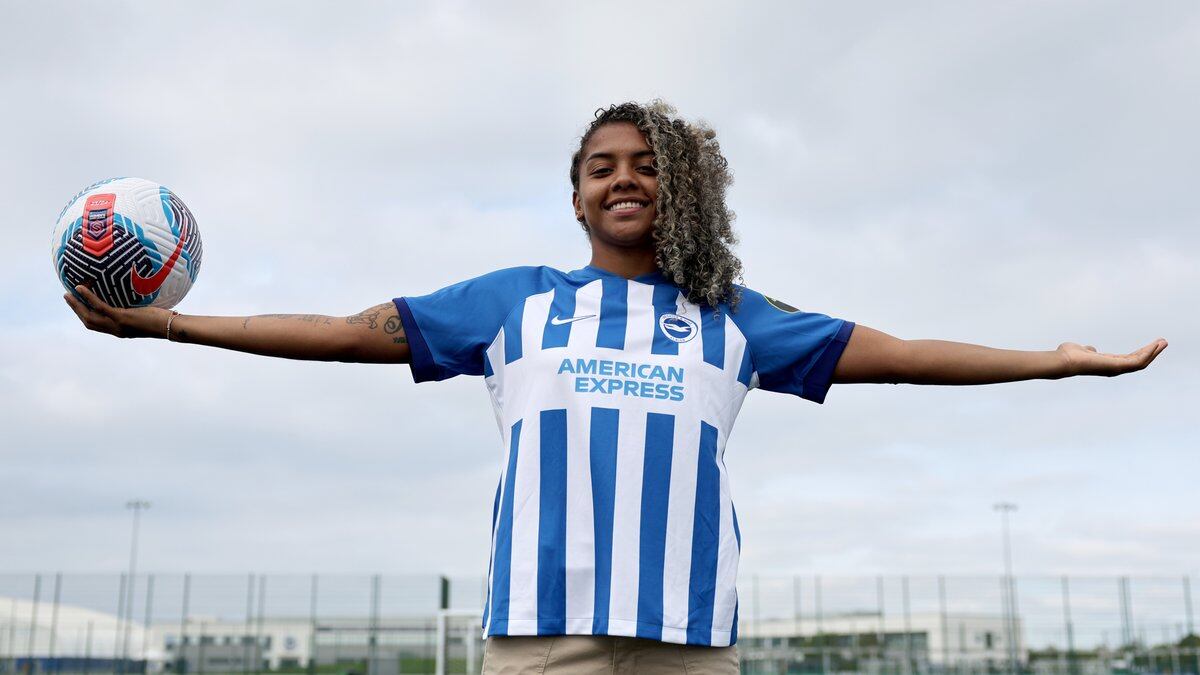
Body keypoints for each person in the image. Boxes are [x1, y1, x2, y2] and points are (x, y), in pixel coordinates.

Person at [65, 101, 1167, 675]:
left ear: (677, 189)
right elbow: (348, 334)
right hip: (543, 637)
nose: (626, 176)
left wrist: (1054, 359)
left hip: (690, 640)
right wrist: (169, 325)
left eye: (646, 163)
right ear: (579, 200)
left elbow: (906, 352)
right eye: (603, 165)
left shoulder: (734, 318)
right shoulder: (516, 303)